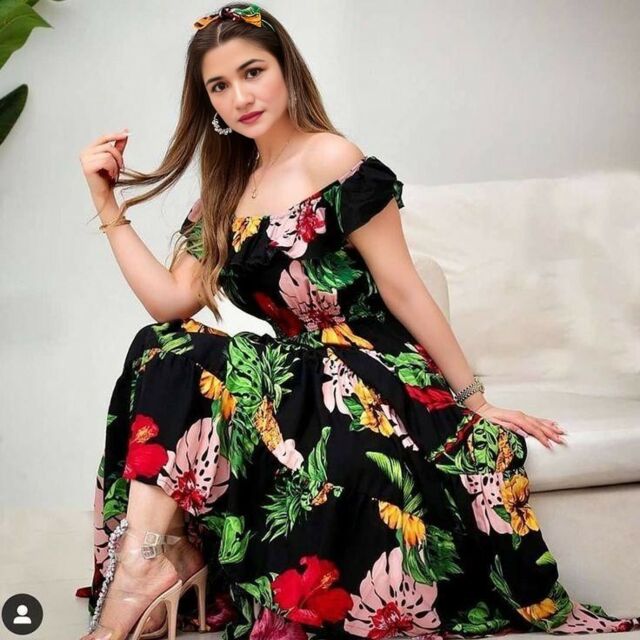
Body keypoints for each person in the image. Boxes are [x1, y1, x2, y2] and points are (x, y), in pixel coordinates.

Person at [75, 3, 640, 640]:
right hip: (295, 378)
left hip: (372, 372)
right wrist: (107, 203)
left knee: (184, 357)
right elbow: (170, 302)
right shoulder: (224, 193)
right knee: (161, 345)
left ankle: (149, 569)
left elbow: (403, 288)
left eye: (253, 72)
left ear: (286, 70)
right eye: (220, 86)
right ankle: (150, 560)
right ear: (208, 104)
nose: (241, 97)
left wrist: (474, 399)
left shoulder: (333, 158)